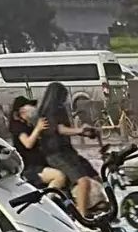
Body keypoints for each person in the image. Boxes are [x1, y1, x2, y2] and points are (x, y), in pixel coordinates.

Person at [34, 82, 103, 216]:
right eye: (63, 97)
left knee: (94, 175)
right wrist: (79, 130)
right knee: (83, 181)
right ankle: (82, 217)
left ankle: (93, 206)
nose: (64, 100)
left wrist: (84, 132)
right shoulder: (48, 113)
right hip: (56, 155)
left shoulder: (60, 110)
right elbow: (59, 129)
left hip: (69, 152)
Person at [6, 97, 68, 191]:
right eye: (29, 107)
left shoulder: (29, 124)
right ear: (22, 111)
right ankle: (46, 200)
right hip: (30, 168)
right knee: (59, 177)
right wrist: (38, 128)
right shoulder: (17, 126)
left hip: (41, 163)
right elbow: (27, 143)